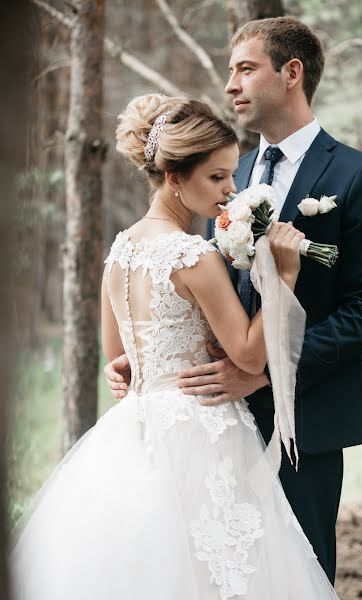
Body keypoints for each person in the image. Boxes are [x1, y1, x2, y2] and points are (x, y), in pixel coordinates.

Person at [11, 93, 340, 599]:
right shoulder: (192, 255)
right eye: (217, 177)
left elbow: (115, 353)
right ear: (173, 177)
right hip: (200, 431)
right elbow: (250, 355)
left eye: (232, 174)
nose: (231, 189)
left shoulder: (120, 249)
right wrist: (285, 275)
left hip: (134, 430)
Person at [104, 17, 362, 584]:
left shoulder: (359, 176)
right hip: (210, 421)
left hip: (304, 420)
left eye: (244, 69)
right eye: (229, 71)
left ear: (291, 73)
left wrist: (267, 375)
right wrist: (148, 361)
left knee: (298, 575)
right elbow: (198, 293)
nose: (230, 84)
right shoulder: (220, 172)